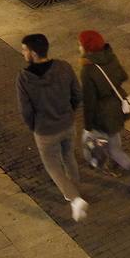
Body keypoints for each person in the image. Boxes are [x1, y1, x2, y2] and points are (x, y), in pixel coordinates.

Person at [16, 34, 89, 223]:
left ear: (32, 53)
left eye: (24, 49)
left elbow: (26, 110)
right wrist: (69, 113)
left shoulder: (24, 79)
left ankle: (74, 198)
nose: (23, 53)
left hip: (45, 130)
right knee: (68, 156)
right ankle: (75, 190)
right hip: (66, 123)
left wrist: (34, 126)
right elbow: (77, 95)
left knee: (52, 165)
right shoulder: (64, 67)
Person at [77, 29, 130, 188]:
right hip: (118, 108)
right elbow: (123, 75)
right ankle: (122, 167)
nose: (79, 47)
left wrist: (88, 125)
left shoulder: (88, 70)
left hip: (102, 114)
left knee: (89, 141)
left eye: (80, 45)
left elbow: (89, 101)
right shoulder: (110, 57)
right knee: (114, 144)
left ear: (87, 47)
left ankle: (100, 162)